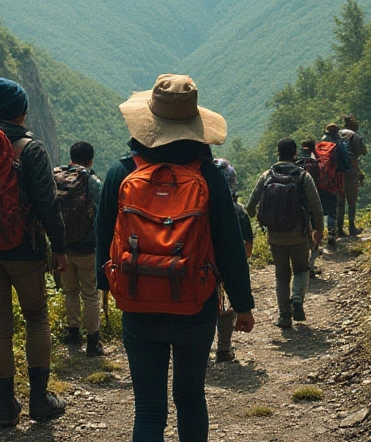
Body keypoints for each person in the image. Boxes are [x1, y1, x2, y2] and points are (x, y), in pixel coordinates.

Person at [97, 74, 255, 442]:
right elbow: (230, 245)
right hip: (194, 308)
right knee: (190, 398)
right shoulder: (210, 178)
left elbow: (103, 236)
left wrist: (105, 284)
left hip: (138, 305)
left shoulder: (121, 173)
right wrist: (243, 304)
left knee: (149, 410)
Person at [0, 77, 69, 428]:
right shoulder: (31, 149)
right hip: (24, 249)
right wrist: (60, 247)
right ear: (22, 112)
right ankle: (39, 400)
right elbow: (47, 204)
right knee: (36, 317)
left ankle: (6, 407)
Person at [245, 139, 324, 330]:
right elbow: (316, 207)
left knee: (281, 276)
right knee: (301, 269)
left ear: (278, 153)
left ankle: (284, 317)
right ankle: (297, 300)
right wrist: (318, 230)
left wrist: (264, 218)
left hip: (275, 236)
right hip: (298, 233)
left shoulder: (267, 175)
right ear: (294, 153)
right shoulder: (303, 176)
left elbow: (250, 207)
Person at [57, 141, 105, 357]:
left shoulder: (57, 178)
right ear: (90, 160)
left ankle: (73, 334)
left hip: (63, 248)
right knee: (90, 294)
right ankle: (93, 341)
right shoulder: (92, 181)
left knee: (70, 292)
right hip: (86, 247)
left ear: (71, 158)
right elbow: (103, 211)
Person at [213, 157, 254, 362]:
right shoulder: (238, 211)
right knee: (227, 310)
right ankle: (223, 349)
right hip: (226, 270)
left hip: (202, 268)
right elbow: (248, 246)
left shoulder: (199, 204)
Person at [316, 124, 351, 248]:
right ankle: (332, 233)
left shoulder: (320, 144)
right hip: (334, 180)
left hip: (319, 181)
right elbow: (346, 164)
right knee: (332, 208)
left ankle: (316, 236)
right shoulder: (338, 144)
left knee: (318, 209)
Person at [297, 141, 324, 278]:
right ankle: (310, 266)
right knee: (315, 235)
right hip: (311, 204)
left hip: (296, 206)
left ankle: (302, 266)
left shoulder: (295, 162)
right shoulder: (314, 162)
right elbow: (319, 181)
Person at [337, 115, 368, 237]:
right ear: (354, 126)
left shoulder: (337, 134)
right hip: (351, 172)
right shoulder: (355, 136)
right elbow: (364, 152)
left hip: (337, 173)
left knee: (340, 201)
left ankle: (338, 228)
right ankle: (351, 227)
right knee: (352, 201)